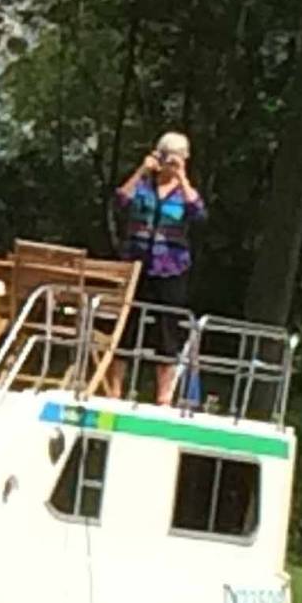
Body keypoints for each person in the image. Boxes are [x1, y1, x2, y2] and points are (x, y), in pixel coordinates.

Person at [113, 131, 203, 406]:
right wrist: (143, 169)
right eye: (167, 157)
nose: (171, 164)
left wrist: (182, 178)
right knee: (126, 326)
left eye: (178, 157)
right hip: (137, 265)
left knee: (167, 330)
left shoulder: (184, 193)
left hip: (171, 268)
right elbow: (120, 201)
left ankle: (164, 395)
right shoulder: (143, 186)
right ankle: (114, 389)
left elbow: (198, 213)